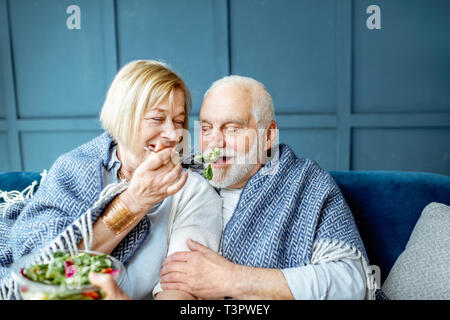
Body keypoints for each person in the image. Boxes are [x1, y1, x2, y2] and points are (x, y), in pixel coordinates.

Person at [90, 75, 378, 300]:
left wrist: (230, 279)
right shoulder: (176, 177)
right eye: (205, 128)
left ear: (268, 136)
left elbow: (352, 283)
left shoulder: (305, 184)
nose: (214, 142)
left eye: (232, 129)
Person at [0, 60, 222, 300]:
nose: (171, 135)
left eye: (178, 121)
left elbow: (181, 289)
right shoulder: (74, 168)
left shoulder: (191, 189)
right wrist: (132, 203)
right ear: (122, 118)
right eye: (157, 119)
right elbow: (37, 270)